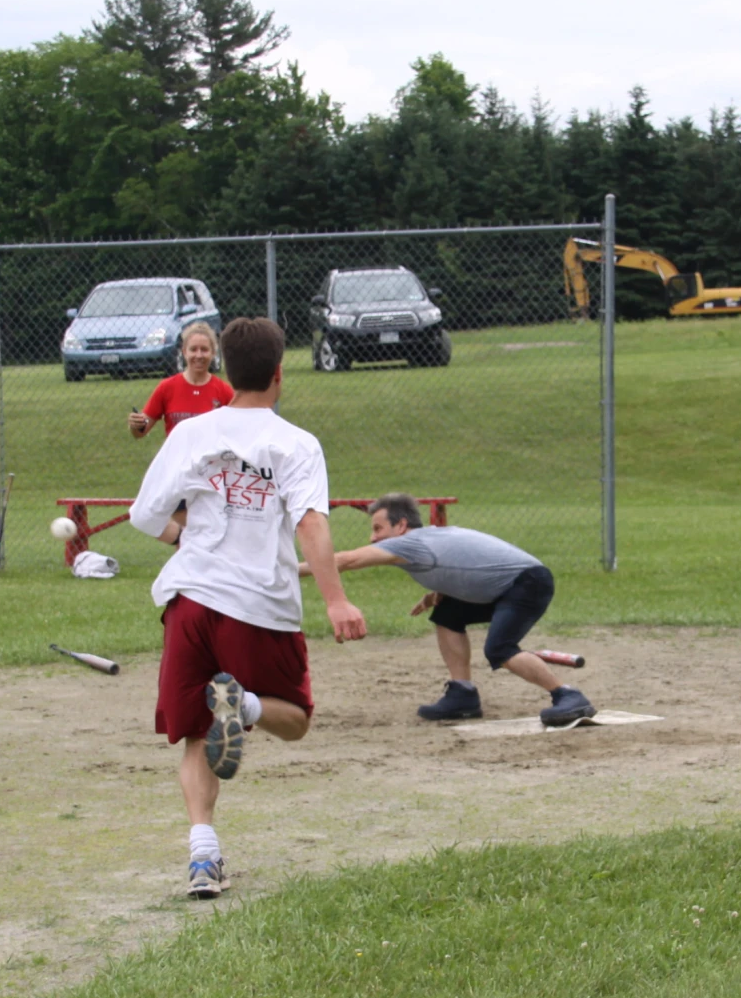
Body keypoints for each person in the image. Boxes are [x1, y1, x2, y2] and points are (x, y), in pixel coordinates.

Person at [128, 317, 366, 899]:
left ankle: (203, 857)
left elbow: (144, 515)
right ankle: (250, 704)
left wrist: (193, 539)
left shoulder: (191, 434)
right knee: (295, 719)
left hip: (190, 599)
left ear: (225, 371)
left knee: (196, 733)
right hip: (257, 604)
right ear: (279, 373)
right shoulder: (296, 443)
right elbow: (309, 521)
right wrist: (335, 600)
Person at [323, 495, 595, 727]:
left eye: (378, 528)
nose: (373, 537)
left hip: (527, 584)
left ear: (402, 525)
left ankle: (568, 696)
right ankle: (462, 694)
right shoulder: (426, 536)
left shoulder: (410, 542)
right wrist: (439, 593)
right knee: (448, 614)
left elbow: (346, 560)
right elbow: (462, 563)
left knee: (500, 648)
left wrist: (287, 568)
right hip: (511, 584)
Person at [128, 321, 233, 439]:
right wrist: (136, 425)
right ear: (184, 352)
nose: (198, 355)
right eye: (193, 349)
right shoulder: (167, 387)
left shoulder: (224, 391)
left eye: (204, 350)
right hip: (176, 457)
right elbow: (141, 432)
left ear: (213, 353)